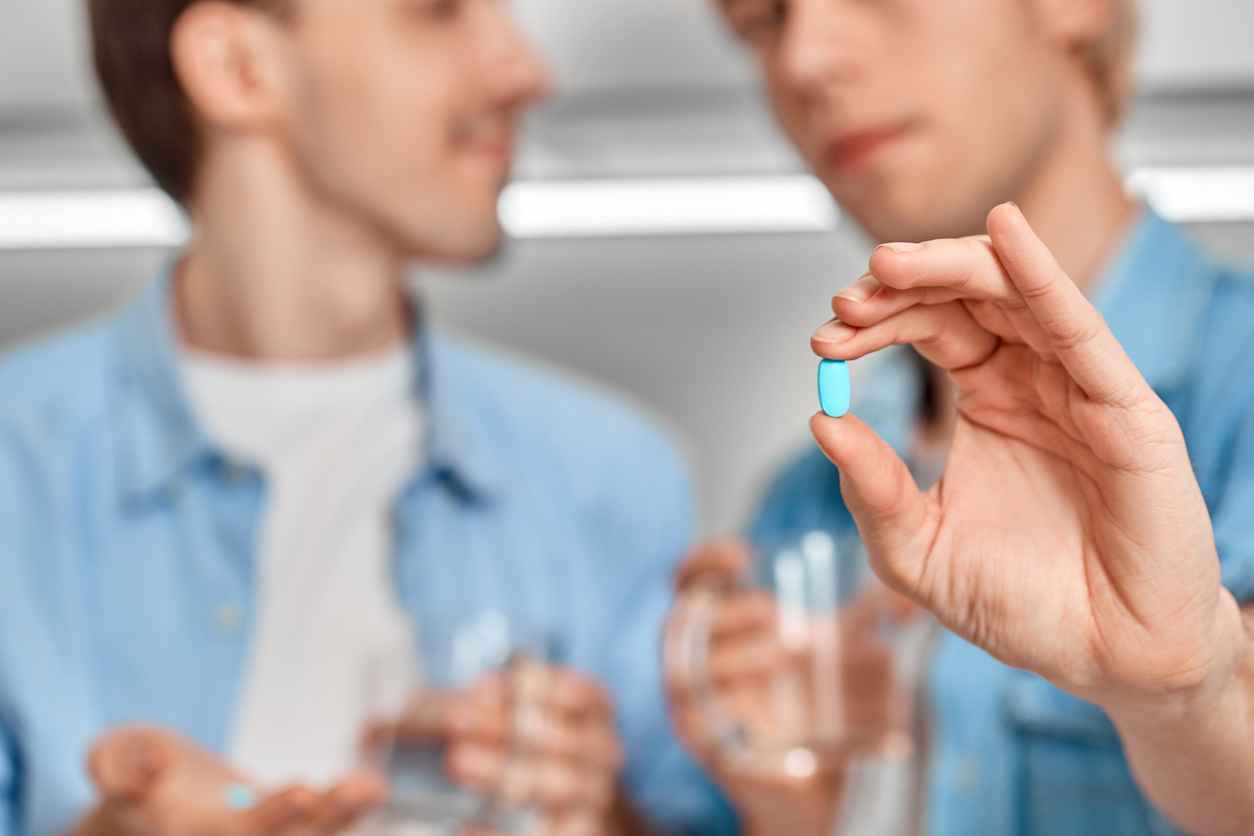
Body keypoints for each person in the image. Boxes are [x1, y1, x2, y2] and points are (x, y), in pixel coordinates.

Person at [0, 2, 727, 835]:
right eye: (440, 12)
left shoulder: (618, 477)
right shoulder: (16, 475)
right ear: (239, 67)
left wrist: (605, 815)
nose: (527, 72)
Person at [667, 0, 1254, 833]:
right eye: (761, 22)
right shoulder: (805, 500)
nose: (804, 61)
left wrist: (1185, 701)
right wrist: (790, 810)